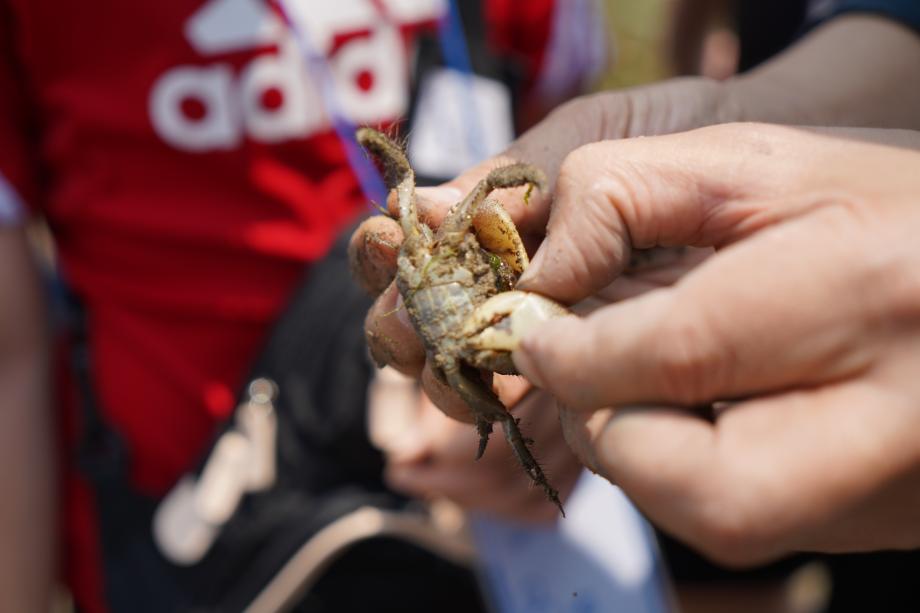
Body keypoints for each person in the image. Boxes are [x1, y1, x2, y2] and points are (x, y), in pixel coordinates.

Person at [0, 1, 607, 610]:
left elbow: (551, 193)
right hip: (203, 533)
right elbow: (10, 353)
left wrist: (558, 384)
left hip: (480, 533)